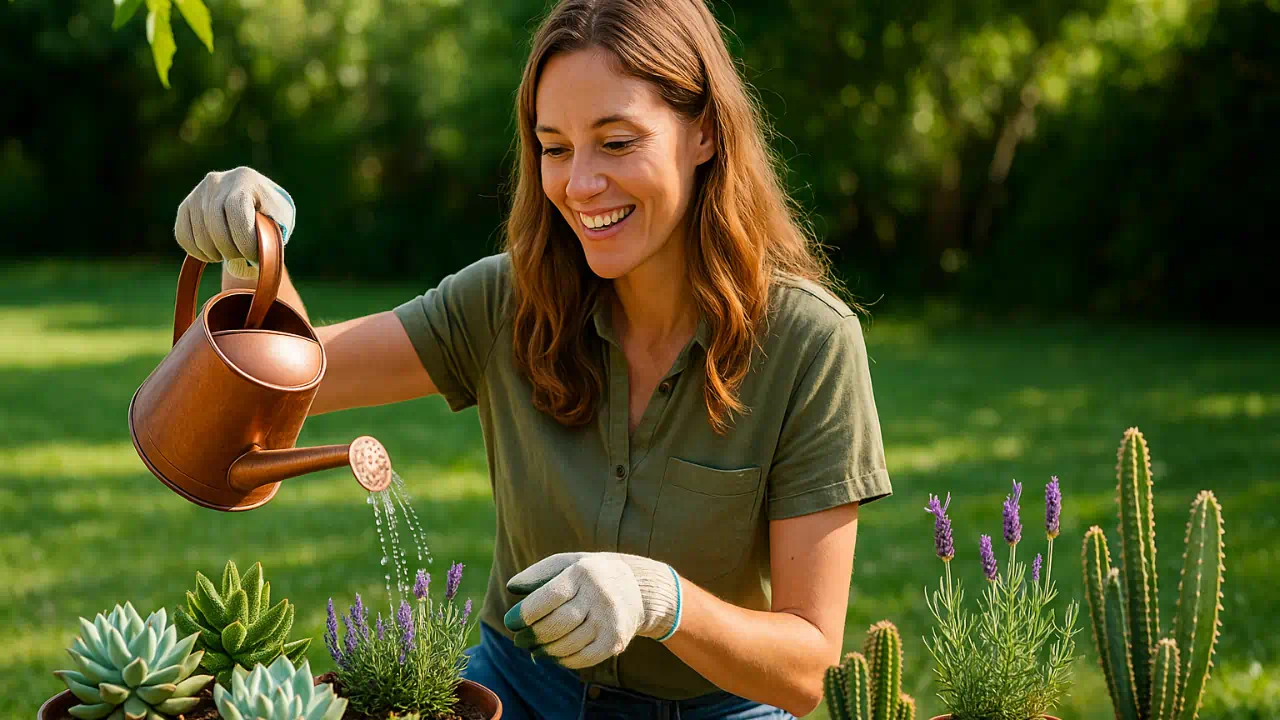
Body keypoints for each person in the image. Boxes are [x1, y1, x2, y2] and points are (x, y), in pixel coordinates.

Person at [172, 0, 893, 716]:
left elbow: (811, 669)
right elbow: (280, 385)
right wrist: (250, 246)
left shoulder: (809, 344)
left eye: (616, 143)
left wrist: (662, 600)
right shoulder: (507, 301)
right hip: (512, 693)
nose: (579, 186)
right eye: (554, 147)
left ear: (703, 132)